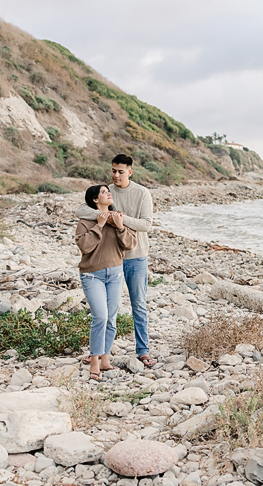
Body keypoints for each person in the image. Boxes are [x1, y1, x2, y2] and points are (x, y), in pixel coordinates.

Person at [76, 154, 156, 367]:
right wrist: (109, 216)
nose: (116, 175)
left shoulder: (141, 193)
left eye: (121, 171)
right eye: (113, 170)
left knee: (138, 304)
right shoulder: (106, 192)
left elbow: (146, 225)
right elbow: (82, 210)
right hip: (112, 260)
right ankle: (100, 353)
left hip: (136, 256)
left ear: (130, 171)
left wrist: (118, 218)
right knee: (107, 312)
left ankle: (143, 350)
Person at [75, 184, 137, 381]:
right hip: (92, 275)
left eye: (107, 191)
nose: (108, 193)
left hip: (116, 274)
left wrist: (119, 227)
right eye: (103, 192)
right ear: (95, 200)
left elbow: (130, 244)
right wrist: (99, 226)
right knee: (100, 317)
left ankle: (105, 359)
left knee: (111, 318)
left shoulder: (118, 218)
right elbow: (85, 246)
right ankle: (94, 361)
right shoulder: (85, 222)